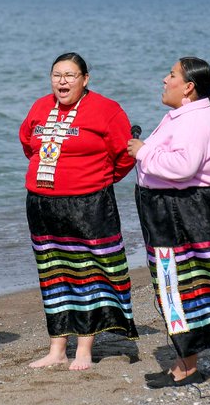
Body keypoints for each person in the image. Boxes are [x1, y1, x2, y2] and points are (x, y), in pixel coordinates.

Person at [127, 57, 210, 388]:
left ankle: (187, 366)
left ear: (188, 87)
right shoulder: (186, 115)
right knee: (179, 283)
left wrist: (141, 152)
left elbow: (183, 166)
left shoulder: (194, 119)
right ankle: (184, 361)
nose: (164, 80)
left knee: (183, 284)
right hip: (175, 210)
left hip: (183, 212)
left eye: (171, 75)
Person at [20, 52, 138, 371]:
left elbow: (126, 154)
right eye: (57, 74)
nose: (62, 81)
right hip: (43, 204)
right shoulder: (40, 107)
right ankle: (57, 347)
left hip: (89, 204)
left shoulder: (107, 109)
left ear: (85, 79)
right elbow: (28, 143)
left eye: (70, 75)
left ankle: (84, 347)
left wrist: (99, 178)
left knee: (88, 272)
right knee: (53, 273)